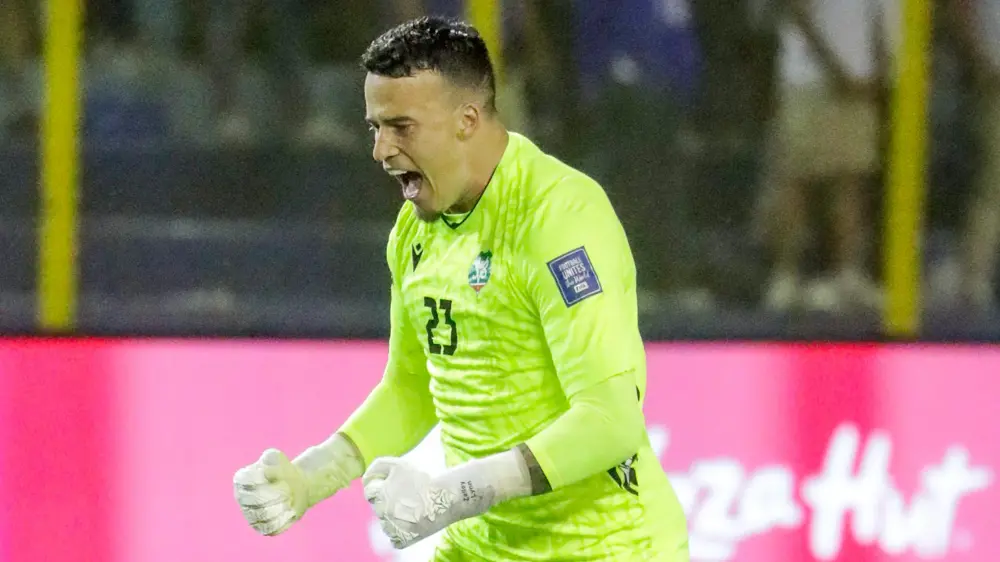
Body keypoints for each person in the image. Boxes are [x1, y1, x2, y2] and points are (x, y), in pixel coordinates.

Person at [232, 16, 689, 561]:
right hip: (482, 547)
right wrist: (310, 478)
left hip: (608, 550)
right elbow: (411, 388)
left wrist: (452, 494)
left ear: (467, 121)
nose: (381, 150)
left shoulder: (558, 218)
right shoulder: (413, 233)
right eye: (375, 128)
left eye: (401, 127)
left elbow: (610, 421)